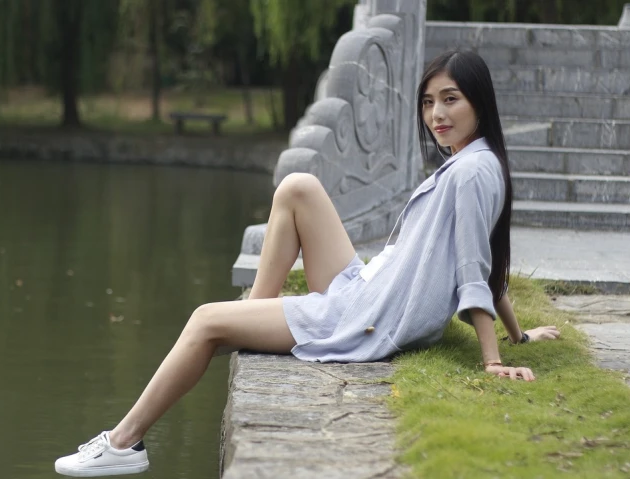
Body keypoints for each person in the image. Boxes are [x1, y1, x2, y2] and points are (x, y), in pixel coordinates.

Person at [53, 50, 561, 477]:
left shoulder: (470, 173)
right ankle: (258, 314)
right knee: (299, 187)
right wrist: (520, 335)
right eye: (429, 102)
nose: (436, 115)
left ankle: (124, 445)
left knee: (205, 320)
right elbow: (492, 263)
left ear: (480, 102)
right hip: (367, 287)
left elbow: (476, 266)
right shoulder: (479, 160)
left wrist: (494, 359)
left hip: (366, 318)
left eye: (451, 100)